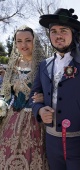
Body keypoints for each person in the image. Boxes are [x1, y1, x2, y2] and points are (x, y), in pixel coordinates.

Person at [29, 8, 80, 170]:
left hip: (79, 143)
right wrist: (40, 110)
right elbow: (33, 97)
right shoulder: (44, 65)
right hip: (51, 142)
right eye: (54, 31)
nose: (58, 36)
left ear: (74, 34)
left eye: (64, 30)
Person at [0, 26, 49, 169]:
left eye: (28, 40)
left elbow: (52, 90)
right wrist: (3, 104)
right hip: (12, 117)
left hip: (34, 117)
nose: (23, 45)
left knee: (32, 155)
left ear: (34, 41)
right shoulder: (13, 64)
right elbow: (7, 93)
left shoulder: (43, 64)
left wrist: (44, 97)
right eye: (19, 41)